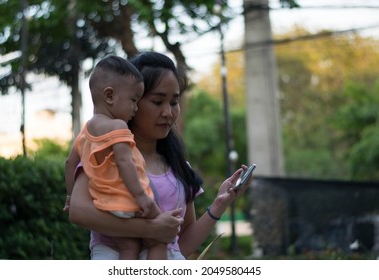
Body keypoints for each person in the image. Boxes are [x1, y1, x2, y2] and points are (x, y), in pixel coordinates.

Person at [68, 51, 252, 260]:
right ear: (134, 102)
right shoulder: (104, 154)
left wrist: (220, 204)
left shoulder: (180, 167)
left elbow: (179, 245)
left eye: (174, 102)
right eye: (157, 102)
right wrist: (150, 229)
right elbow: (78, 211)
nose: (168, 112)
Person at [64, 54, 165, 260]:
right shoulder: (118, 127)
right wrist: (141, 198)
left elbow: (70, 164)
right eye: (133, 100)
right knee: (159, 238)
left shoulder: (84, 134)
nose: (136, 109)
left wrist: (70, 196)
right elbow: (124, 161)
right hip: (128, 202)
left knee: (128, 245)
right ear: (109, 95)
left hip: (103, 205)